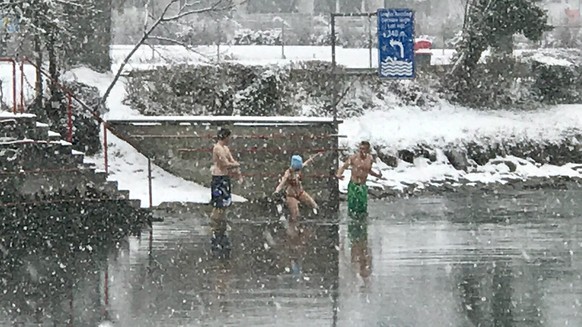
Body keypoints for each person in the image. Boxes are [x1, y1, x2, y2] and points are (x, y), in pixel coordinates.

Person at [210, 128, 241, 256]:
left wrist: (237, 170)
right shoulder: (217, 148)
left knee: (225, 203)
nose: (230, 139)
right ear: (224, 136)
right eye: (228, 137)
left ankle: (220, 226)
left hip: (225, 178)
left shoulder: (226, 148)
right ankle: (216, 227)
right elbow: (224, 163)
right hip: (218, 177)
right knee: (219, 203)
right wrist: (236, 165)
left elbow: (231, 160)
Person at [335, 141, 383, 219]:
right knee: (353, 207)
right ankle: (352, 223)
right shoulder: (354, 158)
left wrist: (377, 175)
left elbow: (368, 170)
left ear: (367, 150)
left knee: (362, 207)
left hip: (363, 186)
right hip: (354, 185)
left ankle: (362, 224)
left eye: (363, 149)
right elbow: (343, 166)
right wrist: (339, 174)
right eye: (360, 148)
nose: (361, 151)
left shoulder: (369, 159)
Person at [273, 153, 323, 223]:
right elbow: (282, 182)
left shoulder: (298, 169)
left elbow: (306, 163)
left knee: (314, 205)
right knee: (296, 214)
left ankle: (317, 219)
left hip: (300, 192)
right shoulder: (288, 173)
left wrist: (313, 158)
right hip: (291, 195)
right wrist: (277, 190)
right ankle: (292, 226)